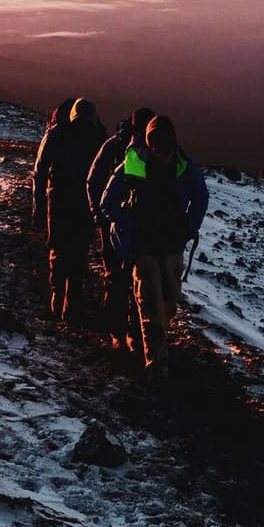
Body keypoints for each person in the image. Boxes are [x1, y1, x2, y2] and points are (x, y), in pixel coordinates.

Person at [98, 115, 208, 377]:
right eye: (157, 146)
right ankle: (157, 367)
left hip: (171, 246)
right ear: (150, 144)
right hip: (145, 249)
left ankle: (155, 349)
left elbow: (201, 196)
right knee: (150, 308)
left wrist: (189, 227)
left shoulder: (183, 164)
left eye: (164, 146)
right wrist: (133, 227)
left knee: (168, 304)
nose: (161, 152)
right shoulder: (136, 163)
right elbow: (108, 202)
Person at [31, 97, 106, 324]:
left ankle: (62, 297)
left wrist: (39, 204)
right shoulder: (97, 137)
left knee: (61, 248)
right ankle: (69, 303)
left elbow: (40, 170)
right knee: (76, 251)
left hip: (61, 199)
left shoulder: (57, 134)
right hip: (78, 201)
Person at [87, 106, 154, 350]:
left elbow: (93, 182)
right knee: (136, 283)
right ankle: (131, 334)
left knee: (117, 280)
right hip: (129, 227)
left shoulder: (115, 145)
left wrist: (100, 216)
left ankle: (119, 333)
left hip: (115, 224)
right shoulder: (136, 151)